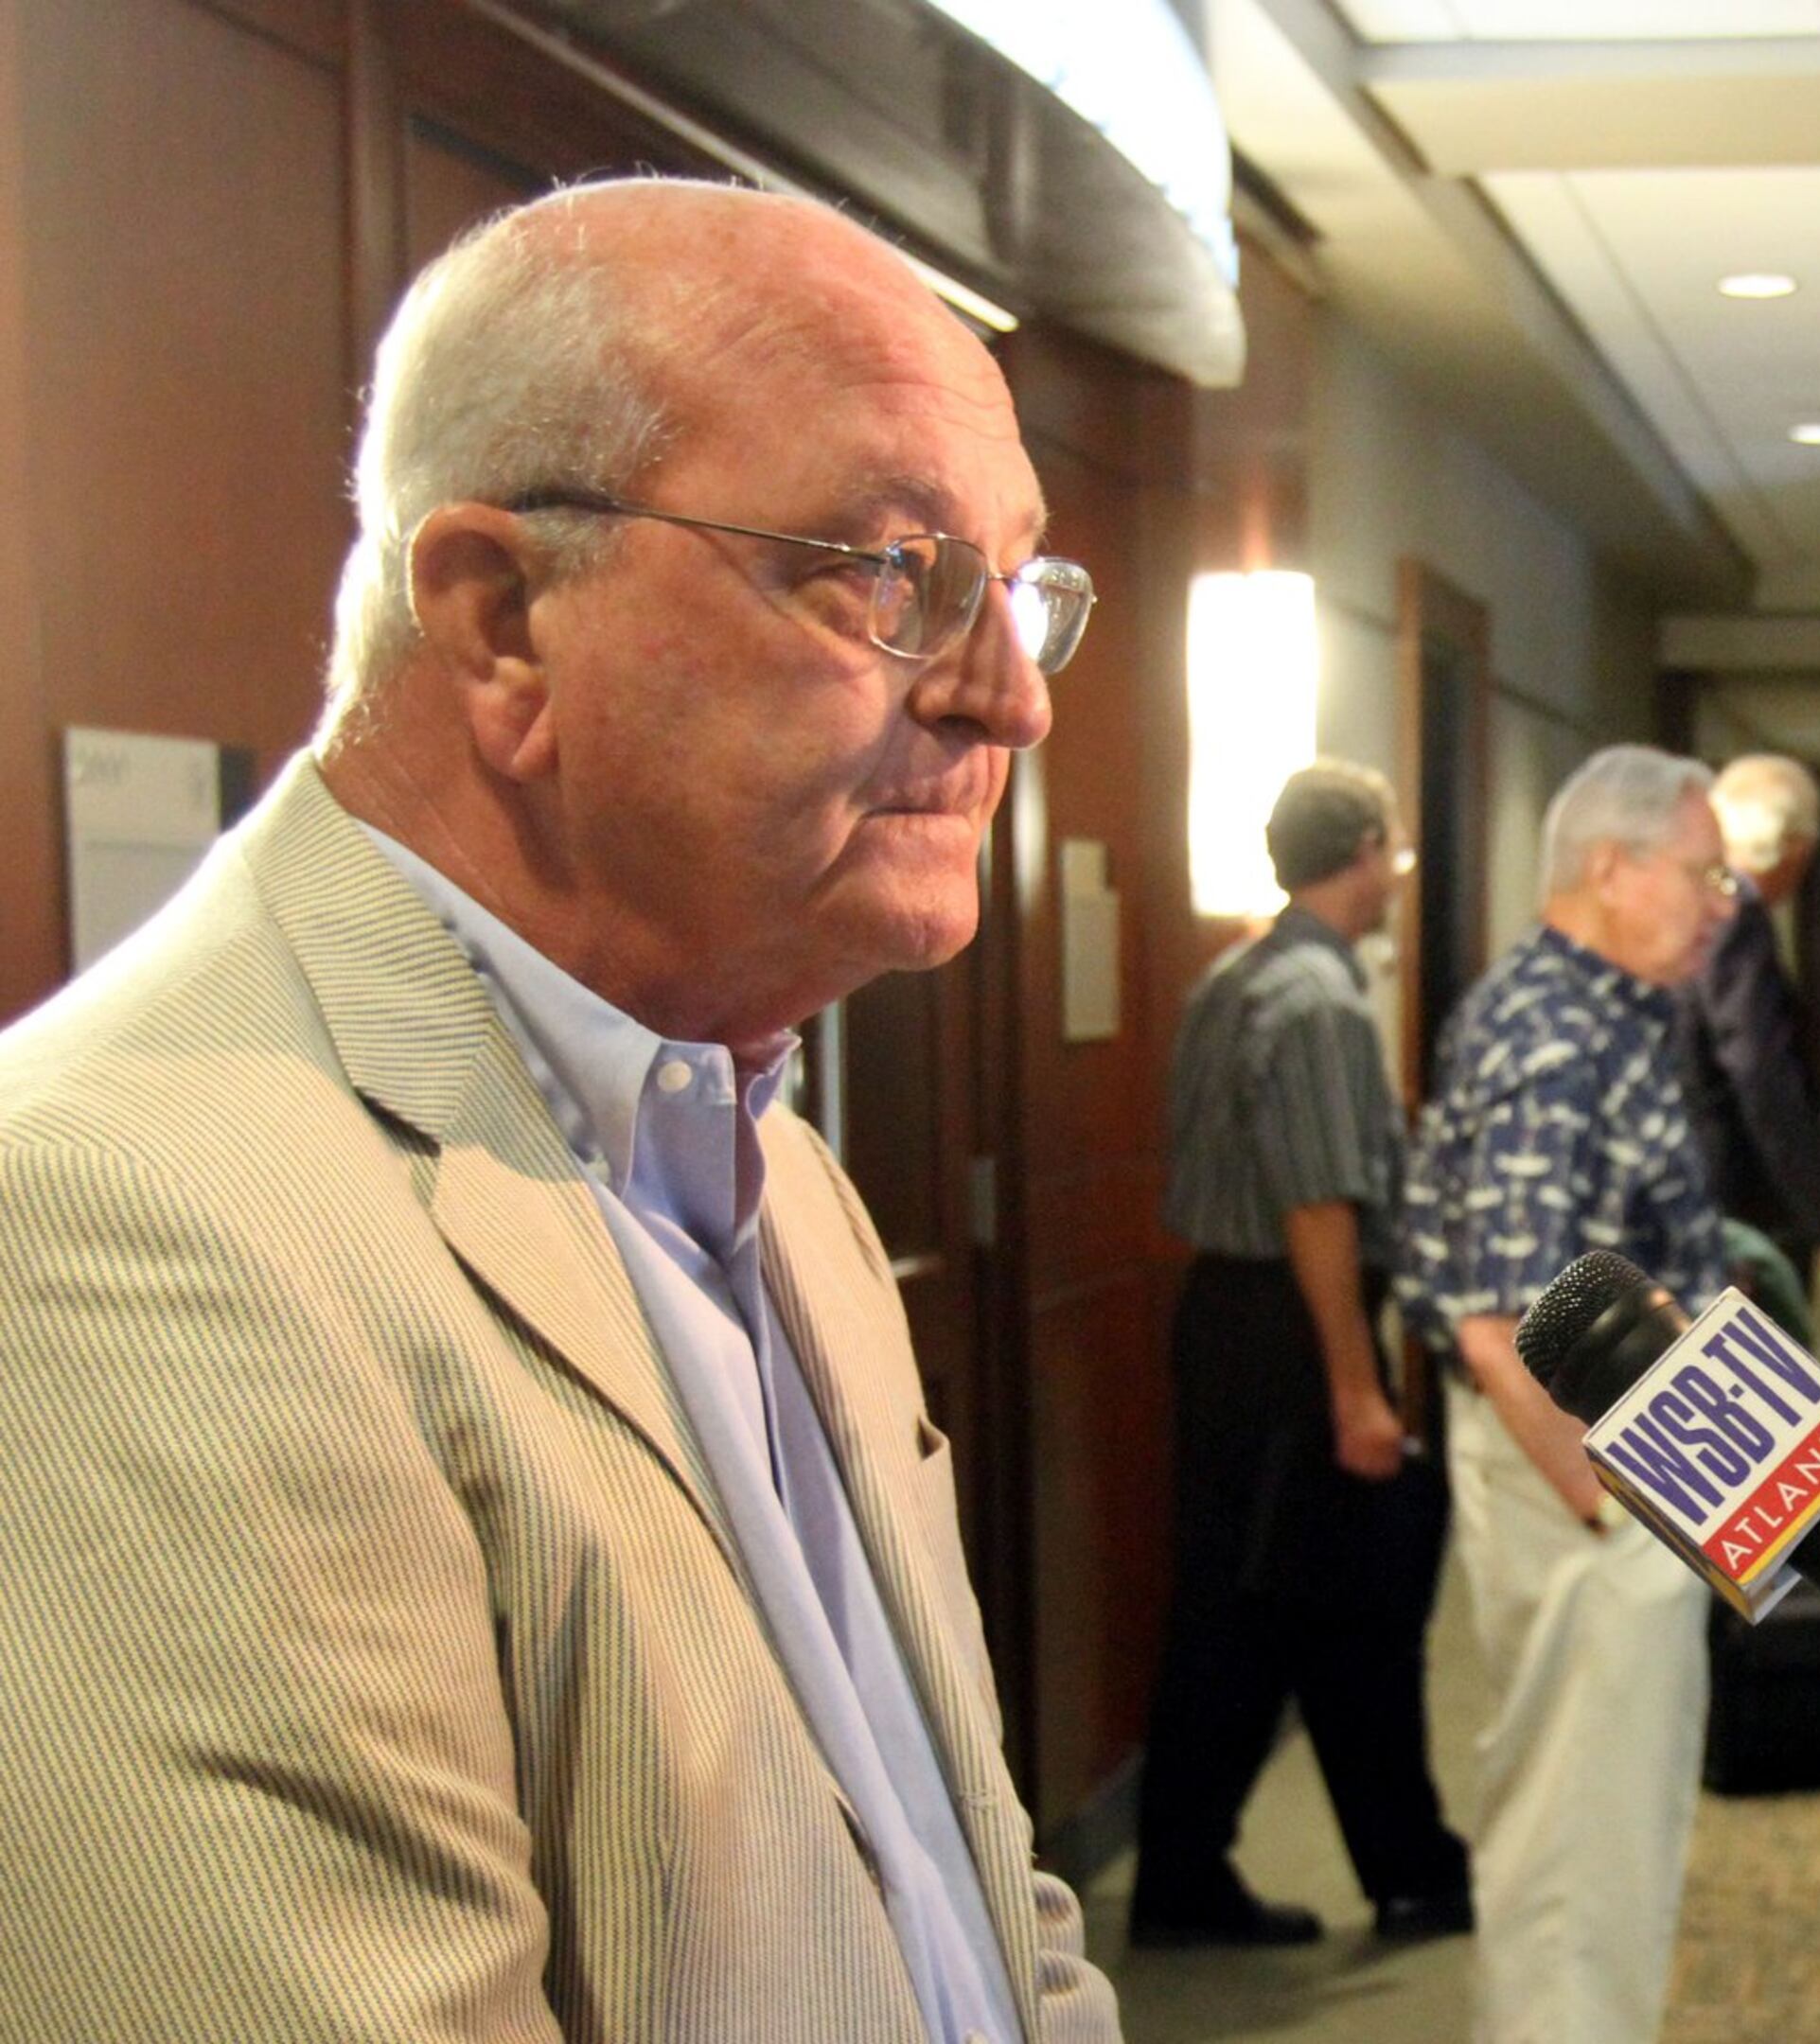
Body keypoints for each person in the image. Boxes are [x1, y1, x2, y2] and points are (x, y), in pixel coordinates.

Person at [0, 179, 1113, 2039]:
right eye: (894, 573)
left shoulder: (774, 1156)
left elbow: (968, 1878)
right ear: (504, 617)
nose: (1009, 700)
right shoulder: (122, 1222)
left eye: (1016, 588)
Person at [1394, 744, 1735, 2044]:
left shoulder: (1600, 1012)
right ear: (1613, 865)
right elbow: (1500, 1328)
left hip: (1624, 1476)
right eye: (1703, 873)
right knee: (1578, 1846)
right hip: (1595, 1484)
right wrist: (1615, 1511)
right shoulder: (1553, 1034)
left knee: (1608, 1833)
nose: (1718, 901)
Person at [1136, 762, 1471, 1949]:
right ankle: (1402, 1867)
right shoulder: (1324, 1003)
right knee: (1333, 1611)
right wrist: (1356, 1390)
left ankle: (1221, 1867)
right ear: (1368, 850)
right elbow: (1319, 1207)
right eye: (1395, 849)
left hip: (1226, 1321)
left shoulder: (1236, 978)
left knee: (1252, 1606)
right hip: (1293, 1332)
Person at [1680, 752, 1820, 1295]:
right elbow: (1759, 1069)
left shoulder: (1699, 909)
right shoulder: (1736, 915)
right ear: (1797, 845)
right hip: (1740, 1202)